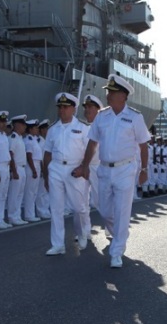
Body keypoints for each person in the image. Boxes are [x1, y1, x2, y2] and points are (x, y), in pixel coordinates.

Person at [80, 74, 151, 269]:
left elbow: (144, 146)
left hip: (126, 169)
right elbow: (93, 143)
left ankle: (117, 251)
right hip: (104, 169)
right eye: (108, 92)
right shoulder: (102, 116)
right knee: (103, 209)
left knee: (121, 210)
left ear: (123, 95)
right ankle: (120, 232)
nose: (108, 95)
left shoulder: (135, 117)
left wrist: (144, 169)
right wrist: (85, 165)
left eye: (112, 92)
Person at [42, 92, 91, 255]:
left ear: (73, 109)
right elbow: (47, 153)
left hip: (74, 170)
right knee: (56, 208)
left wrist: (83, 167)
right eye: (60, 107)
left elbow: (90, 150)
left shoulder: (83, 128)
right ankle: (58, 244)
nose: (62, 110)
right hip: (55, 168)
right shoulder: (53, 129)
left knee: (79, 207)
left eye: (65, 107)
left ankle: (83, 232)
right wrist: (46, 176)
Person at [6, 114, 29, 225]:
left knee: (19, 194)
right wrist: (14, 171)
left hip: (22, 168)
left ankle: (17, 215)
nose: (25, 127)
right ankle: (12, 216)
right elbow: (11, 154)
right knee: (14, 194)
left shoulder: (20, 138)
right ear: (17, 125)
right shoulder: (13, 138)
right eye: (23, 125)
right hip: (17, 168)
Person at [82, 95, 102, 207]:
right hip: (83, 166)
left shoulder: (103, 127)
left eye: (90, 107)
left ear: (98, 110)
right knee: (81, 203)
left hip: (98, 167)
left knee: (101, 202)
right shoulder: (81, 127)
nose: (87, 110)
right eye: (86, 107)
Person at [22, 119, 42, 221]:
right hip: (31, 166)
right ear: (30, 129)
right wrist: (34, 170)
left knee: (34, 192)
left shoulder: (34, 139)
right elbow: (29, 156)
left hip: (36, 165)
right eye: (35, 128)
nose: (37, 129)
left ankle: (31, 213)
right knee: (30, 192)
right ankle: (29, 215)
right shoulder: (28, 141)